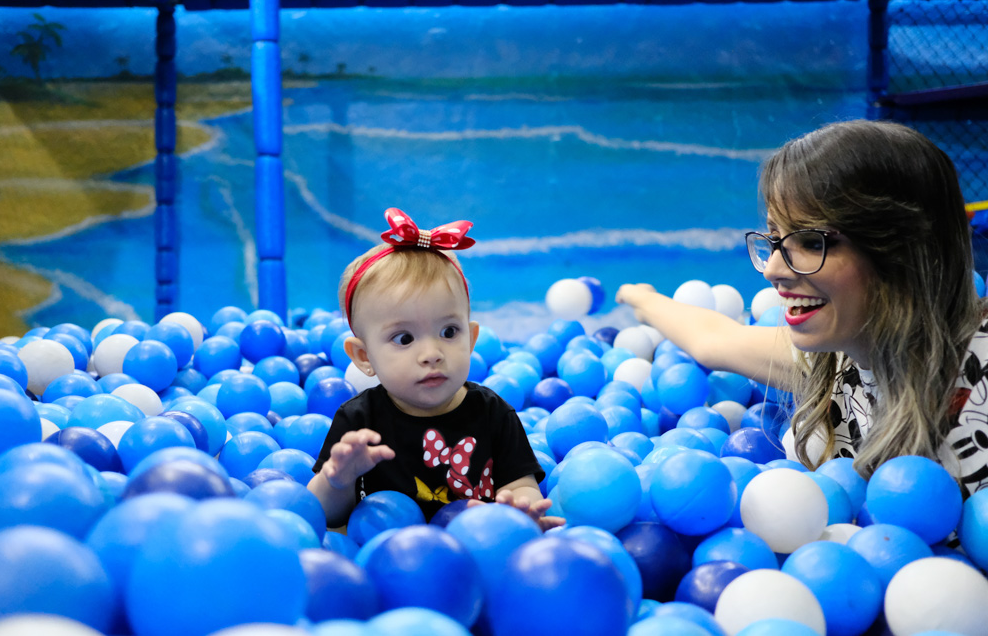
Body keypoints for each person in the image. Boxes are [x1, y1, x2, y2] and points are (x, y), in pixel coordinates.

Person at [617, 119, 988, 497]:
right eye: (775, 240)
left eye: (812, 242)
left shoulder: (979, 377)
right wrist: (639, 297)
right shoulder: (842, 359)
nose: (774, 271)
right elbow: (714, 341)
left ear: (903, 252)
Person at [309, 208, 560, 529]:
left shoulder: (493, 412)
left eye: (449, 332)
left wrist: (521, 510)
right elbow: (323, 514)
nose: (431, 353)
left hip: (478, 550)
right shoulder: (359, 422)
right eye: (404, 338)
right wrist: (340, 478)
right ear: (364, 357)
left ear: (471, 339)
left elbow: (519, 484)